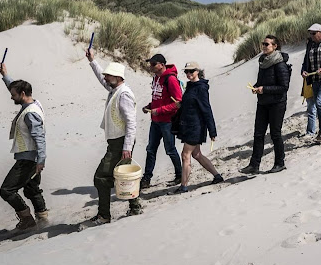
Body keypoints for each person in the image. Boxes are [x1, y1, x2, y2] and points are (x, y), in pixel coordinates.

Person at [85, 49, 142, 225]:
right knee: (122, 174)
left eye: (109, 76)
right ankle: (135, 207)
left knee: (101, 178)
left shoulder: (123, 94)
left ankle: (104, 216)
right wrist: (92, 61)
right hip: (118, 142)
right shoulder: (115, 89)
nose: (106, 78)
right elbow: (102, 80)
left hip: (120, 142)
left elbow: (131, 123)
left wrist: (126, 147)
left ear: (118, 77)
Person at [0, 63, 48, 233]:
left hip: (28, 159)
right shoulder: (33, 103)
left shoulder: (30, 113)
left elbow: (39, 137)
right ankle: (43, 218)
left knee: (7, 190)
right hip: (32, 158)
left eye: (13, 95)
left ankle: (27, 219)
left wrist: (40, 160)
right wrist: (6, 76)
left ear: (23, 94)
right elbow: (15, 89)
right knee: (32, 188)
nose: (11, 97)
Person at [240, 36, 290, 174]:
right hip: (263, 103)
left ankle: (280, 163)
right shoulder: (263, 61)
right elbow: (261, 81)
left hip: (277, 104)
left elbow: (284, 86)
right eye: (263, 44)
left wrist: (264, 89)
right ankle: (254, 165)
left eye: (266, 44)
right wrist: (256, 87)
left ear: (275, 46)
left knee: (275, 134)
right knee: (258, 134)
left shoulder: (280, 64)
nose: (263, 46)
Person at [174, 62, 223, 193]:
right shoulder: (190, 86)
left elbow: (206, 109)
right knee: (196, 154)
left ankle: (183, 186)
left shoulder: (201, 88)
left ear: (197, 71)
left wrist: (212, 130)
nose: (188, 74)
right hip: (188, 125)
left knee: (185, 154)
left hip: (195, 126)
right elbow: (192, 104)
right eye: (186, 72)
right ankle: (217, 176)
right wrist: (181, 105)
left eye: (191, 71)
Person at [140, 53, 183, 189]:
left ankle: (180, 174)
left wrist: (159, 110)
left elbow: (178, 103)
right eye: (150, 64)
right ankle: (146, 178)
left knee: (170, 149)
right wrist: (150, 106)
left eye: (153, 64)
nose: (151, 66)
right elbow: (158, 99)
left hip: (167, 121)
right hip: (155, 121)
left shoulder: (170, 80)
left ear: (162, 65)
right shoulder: (156, 79)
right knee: (151, 149)